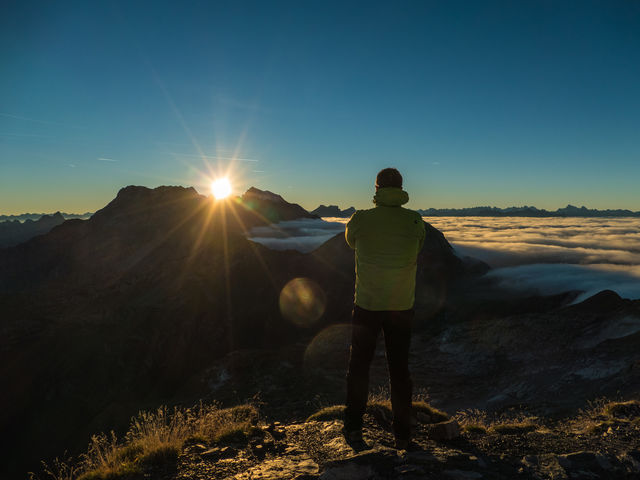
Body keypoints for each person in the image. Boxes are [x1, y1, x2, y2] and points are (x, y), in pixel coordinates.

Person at [343, 167, 425, 450]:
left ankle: (353, 429)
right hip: (402, 306)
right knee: (399, 370)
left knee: (359, 367)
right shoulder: (414, 220)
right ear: (401, 189)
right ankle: (402, 434)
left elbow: (350, 240)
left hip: (367, 304)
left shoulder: (361, 219)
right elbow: (419, 246)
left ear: (376, 189)